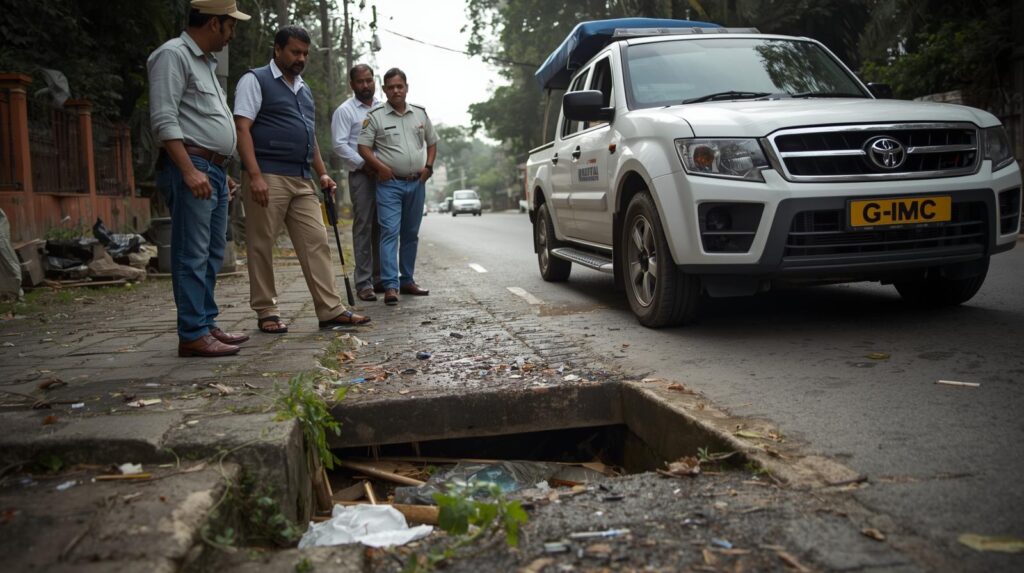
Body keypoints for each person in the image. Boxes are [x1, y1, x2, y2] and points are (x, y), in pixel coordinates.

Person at [234, 25, 370, 333]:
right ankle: (266, 311)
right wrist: (254, 175)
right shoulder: (254, 80)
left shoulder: (304, 89)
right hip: (267, 175)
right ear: (277, 49)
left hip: (302, 177)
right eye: (295, 52)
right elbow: (242, 128)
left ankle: (330, 309)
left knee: (316, 241)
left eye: (305, 53)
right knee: (261, 244)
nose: (301, 58)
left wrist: (321, 172)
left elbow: (310, 137)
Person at [148, 0, 251, 358]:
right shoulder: (171, 56)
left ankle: (206, 323)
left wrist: (223, 171)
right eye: (230, 25)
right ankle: (192, 332)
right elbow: (164, 120)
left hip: (214, 171)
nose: (232, 33)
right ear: (212, 23)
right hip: (191, 166)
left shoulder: (206, 63)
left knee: (211, 252)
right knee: (191, 252)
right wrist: (189, 170)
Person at [357, 68, 438, 306]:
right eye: (390, 87)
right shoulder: (375, 116)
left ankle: (407, 281)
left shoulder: (420, 114)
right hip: (389, 185)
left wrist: (429, 167)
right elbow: (363, 147)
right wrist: (380, 167)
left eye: (399, 86)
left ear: (406, 87)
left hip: (416, 183)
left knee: (410, 234)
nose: (396, 91)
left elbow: (432, 142)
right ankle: (391, 285)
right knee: (389, 232)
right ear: (384, 90)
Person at [331, 64, 382, 302]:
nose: (365, 85)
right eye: (360, 82)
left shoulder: (384, 107)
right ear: (352, 85)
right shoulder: (345, 111)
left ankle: (382, 277)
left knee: (385, 226)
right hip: (362, 175)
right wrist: (364, 165)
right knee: (364, 227)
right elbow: (340, 145)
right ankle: (363, 282)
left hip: (386, 175)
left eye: (369, 80)